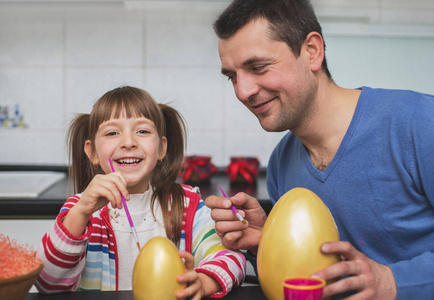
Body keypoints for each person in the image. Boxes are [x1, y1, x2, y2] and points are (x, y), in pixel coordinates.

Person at [205, 0, 434, 299]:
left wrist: (393, 281)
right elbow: (314, 277)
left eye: (257, 67)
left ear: (312, 51)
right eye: (232, 77)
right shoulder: (281, 164)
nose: (242, 91)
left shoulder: (419, 123)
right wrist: (270, 241)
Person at [35, 86, 246, 299]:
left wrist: (203, 282)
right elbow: (47, 283)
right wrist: (80, 214)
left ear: (162, 148)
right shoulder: (79, 210)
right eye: (112, 133)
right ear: (92, 152)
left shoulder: (188, 205)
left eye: (142, 131)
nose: (128, 143)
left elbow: (232, 257)